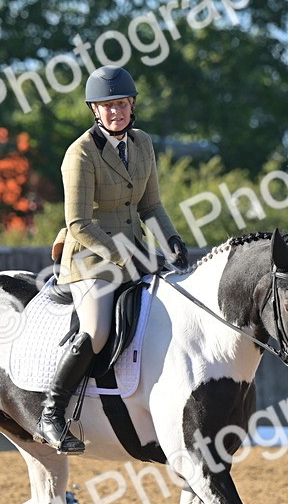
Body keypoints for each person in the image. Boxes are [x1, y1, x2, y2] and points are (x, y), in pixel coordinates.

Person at [35, 65, 189, 454]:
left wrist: (171, 238)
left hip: (136, 250)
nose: (114, 111)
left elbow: (151, 204)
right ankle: (51, 413)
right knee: (97, 329)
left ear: (131, 105)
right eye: (106, 106)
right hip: (90, 258)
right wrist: (129, 255)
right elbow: (79, 223)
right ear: (95, 110)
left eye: (120, 103)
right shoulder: (80, 153)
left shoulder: (142, 144)